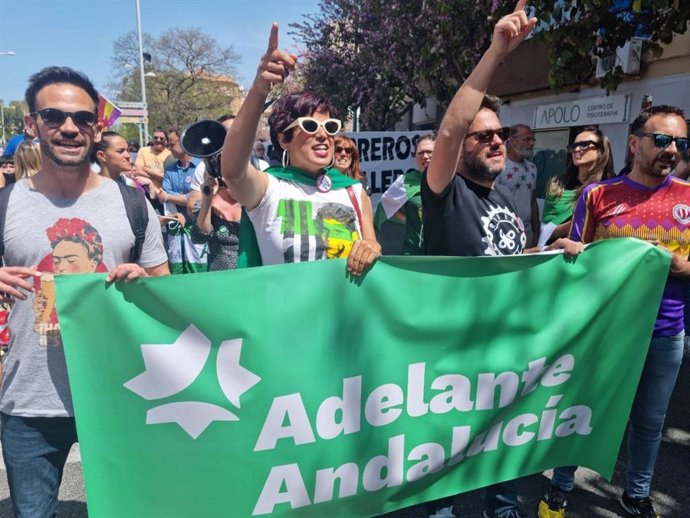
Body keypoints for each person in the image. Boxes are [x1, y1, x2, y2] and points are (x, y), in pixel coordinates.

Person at [421, 4, 580, 518]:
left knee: (505, 453)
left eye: (501, 134)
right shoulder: (446, 193)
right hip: (457, 357)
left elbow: (507, 256)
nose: (496, 141)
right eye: (484, 134)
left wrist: (547, 250)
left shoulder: (505, 200)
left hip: (509, 352)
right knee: (447, 461)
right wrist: (496, 51)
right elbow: (448, 130)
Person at [0, 66, 168, 518]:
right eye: (53, 116)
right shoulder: (6, 204)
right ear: (32, 124)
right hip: (29, 402)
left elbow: (167, 289)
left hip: (123, 391)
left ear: (96, 127)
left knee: (132, 510)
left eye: (82, 118)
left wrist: (143, 284)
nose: (69, 128)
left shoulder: (131, 202)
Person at [538, 105, 690, 518]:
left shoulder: (688, 198)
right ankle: (561, 485)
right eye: (661, 140)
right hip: (605, 329)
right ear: (635, 143)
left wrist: (680, 267)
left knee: (649, 422)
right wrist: (566, 250)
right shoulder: (598, 195)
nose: (671, 150)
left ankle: (637, 494)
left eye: (680, 142)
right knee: (581, 409)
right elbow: (576, 259)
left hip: (665, 331)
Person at [220, 24, 380, 274]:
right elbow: (232, 171)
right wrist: (259, 90)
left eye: (329, 126)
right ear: (283, 139)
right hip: (284, 312)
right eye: (309, 125)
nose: (322, 134)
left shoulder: (354, 192)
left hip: (344, 313)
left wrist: (371, 248)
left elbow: (371, 244)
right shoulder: (269, 189)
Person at [540, 126, 614, 244]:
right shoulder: (558, 185)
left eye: (584, 144)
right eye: (573, 146)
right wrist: (580, 221)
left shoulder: (612, 187)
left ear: (601, 150)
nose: (577, 149)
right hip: (558, 254)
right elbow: (544, 231)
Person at [375, 134, 435, 255]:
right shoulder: (405, 182)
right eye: (420, 153)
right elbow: (383, 207)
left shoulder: (451, 179)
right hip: (414, 254)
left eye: (429, 152)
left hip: (445, 254)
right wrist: (410, 219)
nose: (425, 156)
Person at [159, 127, 206, 273]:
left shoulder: (202, 167)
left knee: (199, 273)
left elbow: (200, 200)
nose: (168, 149)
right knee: (177, 273)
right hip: (175, 232)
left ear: (184, 143)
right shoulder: (170, 169)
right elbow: (162, 194)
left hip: (197, 231)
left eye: (171, 144)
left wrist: (169, 197)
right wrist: (185, 197)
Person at [497, 124, 539, 246]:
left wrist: (536, 232)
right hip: (504, 230)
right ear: (513, 140)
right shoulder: (499, 166)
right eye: (526, 139)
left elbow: (532, 200)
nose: (531, 143)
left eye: (533, 140)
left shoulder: (532, 168)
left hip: (527, 231)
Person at [191, 173, 241, 271]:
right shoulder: (208, 205)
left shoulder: (250, 202)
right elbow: (199, 237)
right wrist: (207, 198)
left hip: (250, 274)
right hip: (220, 277)